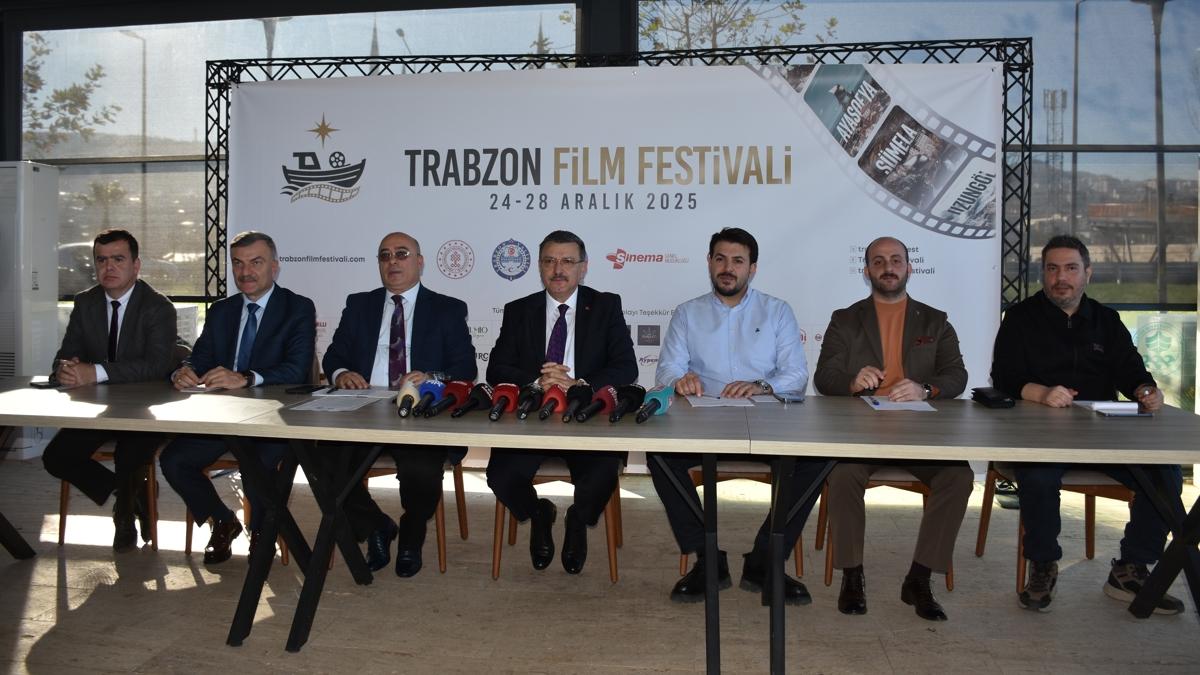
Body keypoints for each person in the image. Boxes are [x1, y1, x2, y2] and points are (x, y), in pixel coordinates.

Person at [991, 234, 1183, 614]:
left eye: (1070, 268)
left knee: (1163, 472)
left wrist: (1146, 390)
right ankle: (1043, 565)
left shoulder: (1107, 320)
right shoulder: (1020, 318)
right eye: (1052, 269)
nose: (1061, 277)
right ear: (1043, 274)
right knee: (1038, 476)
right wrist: (1042, 393)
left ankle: (1130, 568)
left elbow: (1132, 372)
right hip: (1040, 434)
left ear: (1087, 274)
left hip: (1103, 435)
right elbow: (1004, 378)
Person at [649, 227, 824, 604]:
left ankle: (765, 558)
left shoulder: (777, 310)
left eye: (738, 261)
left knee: (817, 460)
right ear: (709, 263)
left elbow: (796, 375)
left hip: (766, 421)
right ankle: (707, 558)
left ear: (752, 268)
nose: (728, 268)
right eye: (720, 259)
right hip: (703, 421)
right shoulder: (688, 312)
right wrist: (680, 380)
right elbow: (666, 369)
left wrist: (761, 385)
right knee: (659, 456)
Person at [813, 236, 972, 621]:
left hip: (920, 435)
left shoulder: (935, 320)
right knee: (843, 474)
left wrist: (925, 389)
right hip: (862, 432)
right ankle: (852, 575)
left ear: (909, 268)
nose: (888, 267)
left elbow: (957, 375)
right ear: (866, 270)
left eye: (896, 260)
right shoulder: (845, 319)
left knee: (958, 476)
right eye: (879, 261)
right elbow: (825, 377)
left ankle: (919, 578)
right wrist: (851, 382)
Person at [322, 231, 476, 577]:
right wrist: (343, 373)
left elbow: (465, 368)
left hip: (419, 412)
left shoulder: (447, 309)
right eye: (385, 255)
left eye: (401, 254)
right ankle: (376, 525)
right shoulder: (359, 305)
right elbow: (334, 356)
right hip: (364, 408)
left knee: (421, 469)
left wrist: (432, 376)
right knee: (324, 460)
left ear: (419, 262)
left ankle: (411, 535)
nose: (392, 261)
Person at [159, 231, 315, 564]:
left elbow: (297, 369)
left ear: (275, 266)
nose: (246, 272)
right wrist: (184, 371)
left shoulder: (297, 308)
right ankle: (222, 520)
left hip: (274, 419)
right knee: (174, 460)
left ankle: (261, 531)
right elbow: (199, 357)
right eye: (238, 264)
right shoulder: (222, 311)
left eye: (256, 262)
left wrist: (245, 377)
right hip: (224, 417)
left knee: (255, 462)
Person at [486, 230, 636, 575]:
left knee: (602, 473)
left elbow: (626, 367)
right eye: (550, 261)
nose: (558, 269)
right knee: (501, 475)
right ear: (539, 266)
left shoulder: (605, 306)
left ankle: (577, 520)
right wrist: (538, 381)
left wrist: (578, 384)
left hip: (587, 417)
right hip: (531, 418)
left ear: (583, 268)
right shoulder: (519, 310)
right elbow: (497, 369)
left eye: (568, 261)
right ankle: (539, 513)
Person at [41, 228, 178, 552]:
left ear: (136, 265)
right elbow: (66, 353)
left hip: (145, 410)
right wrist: (64, 369)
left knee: (129, 455)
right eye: (101, 260)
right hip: (98, 409)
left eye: (118, 259)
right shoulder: (86, 302)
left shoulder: (158, 306)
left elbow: (157, 366)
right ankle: (129, 494)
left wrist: (96, 371)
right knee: (56, 458)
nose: (109, 267)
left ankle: (124, 517)